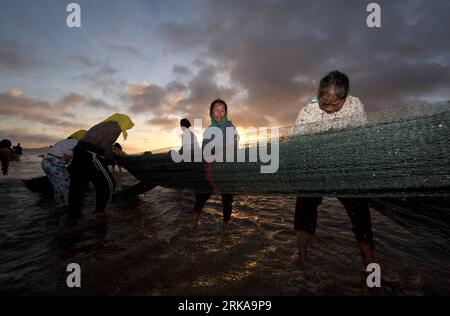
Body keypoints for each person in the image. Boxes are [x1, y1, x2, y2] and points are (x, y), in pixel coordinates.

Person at [292, 71, 375, 269]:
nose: (328, 107)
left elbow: (362, 137)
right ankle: (302, 259)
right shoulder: (307, 112)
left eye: (335, 104)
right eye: (324, 102)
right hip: (314, 167)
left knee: (361, 216)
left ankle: (372, 271)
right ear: (318, 94)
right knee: (304, 208)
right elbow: (296, 145)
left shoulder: (355, 105)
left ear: (345, 97)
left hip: (346, 167)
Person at [66, 113, 134, 226]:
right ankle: (100, 213)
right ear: (124, 122)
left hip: (78, 153)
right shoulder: (115, 127)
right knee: (109, 185)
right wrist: (114, 157)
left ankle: (73, 218)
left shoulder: (103, 125)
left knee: (78, 188)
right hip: (90, 155)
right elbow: (105, 146)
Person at [192, 99, 239, 228]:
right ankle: (193, 224)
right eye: (217, 110)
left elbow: (234, 147)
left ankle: (225, 227)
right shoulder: (208, 131)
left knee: (227, 200)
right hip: (210, 169)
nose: (220, 113)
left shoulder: (231, 128)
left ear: (226, 113)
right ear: (211, 113)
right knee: (200, 196)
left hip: (226, 169)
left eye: (223, 110)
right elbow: (205, 150)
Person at [41, 130, 87, 205]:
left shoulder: (64, 142)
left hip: (45, 162)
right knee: (66, 184)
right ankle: (69, 204)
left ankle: (58, 202)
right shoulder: (74, 142)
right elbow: (67, 155)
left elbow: (64, 155)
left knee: (56, 184)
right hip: (54, 163)